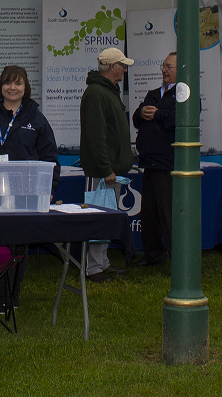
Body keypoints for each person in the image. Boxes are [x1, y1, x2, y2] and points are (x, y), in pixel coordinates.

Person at [0, 65, 61, 312]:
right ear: (1, 86)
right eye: (8, 83)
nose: (13, 87)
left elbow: (49, 156)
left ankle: (10, 294)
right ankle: (1, 289)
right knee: (0, 240)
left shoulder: (36, 119)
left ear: (25, 88)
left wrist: (50, 186)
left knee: (20, 242)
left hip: (26, 189)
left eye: (18, 83)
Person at [79, 47, 134, 283]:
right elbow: (96, 135)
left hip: (110, 171)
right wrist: (105, 169)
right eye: (122, 65)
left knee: (106, 216)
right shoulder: (96, 94)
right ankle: (93, 269)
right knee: (98, 216)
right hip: (103, 172)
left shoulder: (108, 92)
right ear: (113, 67)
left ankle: (102, 263)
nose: (125, 69)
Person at [132, 52, 177, 268]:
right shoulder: (152, 93)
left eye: (169, 66)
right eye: (163, 66)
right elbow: (135, 120)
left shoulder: (185, 94)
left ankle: (177, 260)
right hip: (148, 163)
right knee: (149, 214)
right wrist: (141, 112)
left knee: (168, 215)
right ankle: (153, 255)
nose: (164, 70)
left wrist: (157, 114)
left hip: (167, 163)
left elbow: (179, 120)